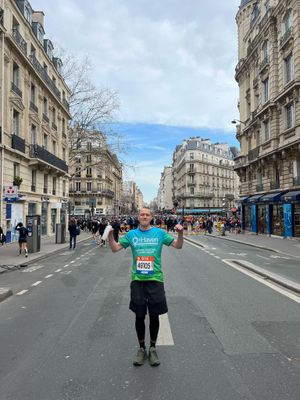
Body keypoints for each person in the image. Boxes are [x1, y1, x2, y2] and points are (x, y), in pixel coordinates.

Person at [108, 207, 183, 367]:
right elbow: (115, 249)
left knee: (154, 315)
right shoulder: (131, 235)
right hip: (138, 280)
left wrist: (181, 233)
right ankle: (142, 348)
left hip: (155, 279)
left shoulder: (160, 233)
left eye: (147, 214)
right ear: (138, 217)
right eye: (142, 214)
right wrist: (109, 236)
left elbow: (178, 245)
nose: (144, 216)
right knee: (139, 316)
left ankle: (153, 348)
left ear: (151, 217)